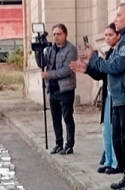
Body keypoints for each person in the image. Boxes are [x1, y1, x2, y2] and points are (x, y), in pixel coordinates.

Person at [71, 3, 125, 190]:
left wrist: (95, 58)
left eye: (119, 15)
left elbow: (114, 66)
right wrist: (88, 67)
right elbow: (110, 66)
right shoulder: (124, 39)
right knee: (121, 140)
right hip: (121, 98)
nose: (116, 19)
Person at [35, 24, 77, 155]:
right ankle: (59, 143)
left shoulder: (71, 49)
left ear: (65, 34)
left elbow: (67, 70)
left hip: (65, 89)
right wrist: (38, 51)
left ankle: (69, 145)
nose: (56, 37)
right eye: (54, 34)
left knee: (67, 117)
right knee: (55, 118)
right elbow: (42, 63)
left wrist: (49, 74)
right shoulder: (50, 50)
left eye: (59, 34)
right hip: (52, 89)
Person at [87, 23, 121, 175]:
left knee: (114, 130)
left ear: (118, 36)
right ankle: (108, 160)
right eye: (105, 35)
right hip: (108, 95)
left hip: (117, 96)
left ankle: (116, 162)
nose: (107, 38)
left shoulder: (119, 52)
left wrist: (96, 57)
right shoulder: (110, 52)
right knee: (106, 129)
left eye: (110, 35)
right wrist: (87, 67)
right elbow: (100, 74)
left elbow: (109, 68)